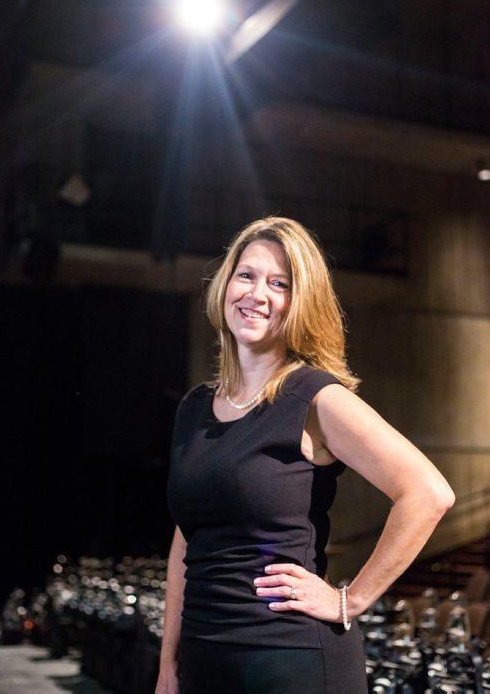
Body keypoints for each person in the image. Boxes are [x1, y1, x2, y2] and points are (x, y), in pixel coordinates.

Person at [155, 216, 455, 694]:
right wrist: (168, 664)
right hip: (205, 657)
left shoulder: (314, 397)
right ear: (225, 284)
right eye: (246, 275)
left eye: (280, 284)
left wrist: (350, 601)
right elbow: (185, 540)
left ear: (300, 304)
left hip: (292, 662)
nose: (257, 294)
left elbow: (428, 493)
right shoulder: (194, 408)